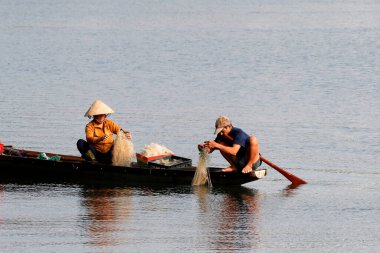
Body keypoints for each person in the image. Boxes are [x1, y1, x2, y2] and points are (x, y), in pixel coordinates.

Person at [77, 99, 132, 164]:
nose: (101, 117)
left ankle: (115, 161)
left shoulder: (110, 123)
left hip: (109, 153)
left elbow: (120, 131)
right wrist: (99, 139)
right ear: (94, 116)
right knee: (80, 142)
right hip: (96, 153)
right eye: (99, 115)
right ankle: (93, 161)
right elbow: (89, 139)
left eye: (103, 115)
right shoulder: (89, 126)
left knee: (118, 144)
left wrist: (127, 134)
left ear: (105, 115)